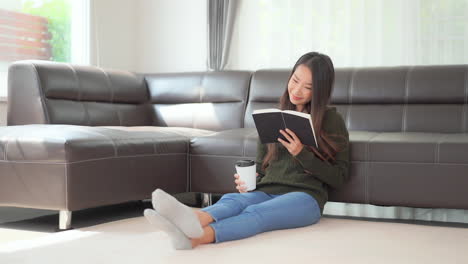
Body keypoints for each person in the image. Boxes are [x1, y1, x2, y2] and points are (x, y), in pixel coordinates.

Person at [144, 51, 350, 250]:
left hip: (306, 198)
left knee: (256, 212)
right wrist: (250, 182)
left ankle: (195, 239)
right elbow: (262, 166)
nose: (296, 91)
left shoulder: (331, 120)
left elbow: (339, 178)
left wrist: (301, 153)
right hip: (267, 190)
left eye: (308, 87)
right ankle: (189, 220)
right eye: (295, 81)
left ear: (320, 91)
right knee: (233, 201)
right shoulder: (273, 117)